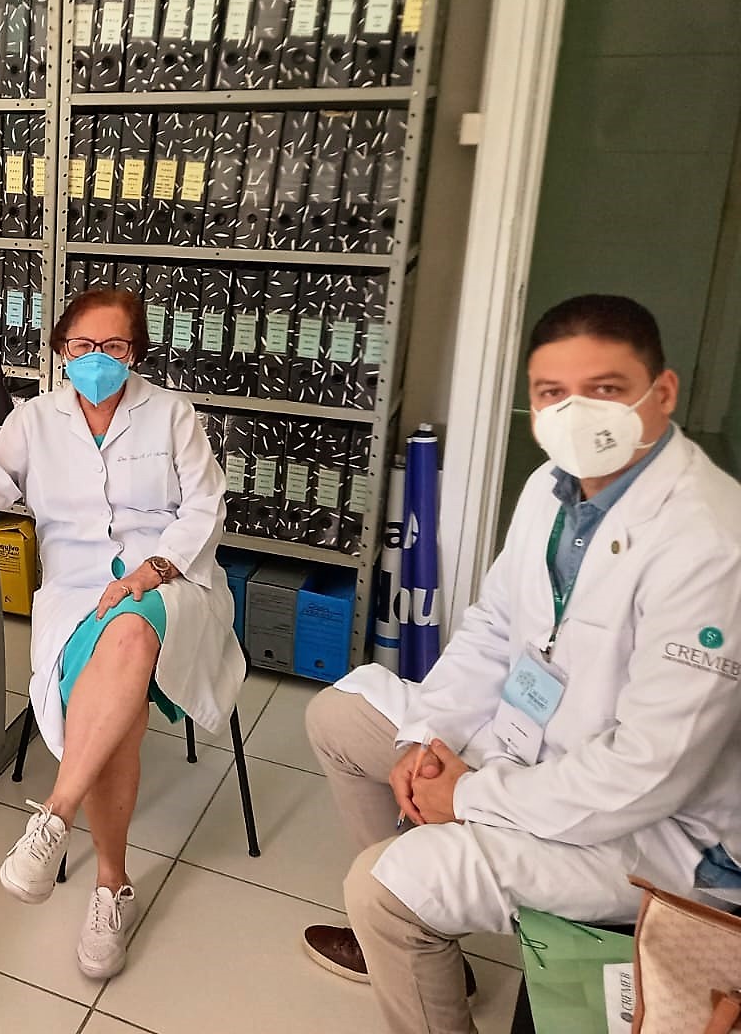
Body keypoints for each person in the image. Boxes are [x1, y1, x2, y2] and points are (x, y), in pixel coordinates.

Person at [302, 295, 741, 1034]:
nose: (577, 414)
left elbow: (648, 773)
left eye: (605, 389)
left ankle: (403, 920)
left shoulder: (711, 542)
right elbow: (493, 627)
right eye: (552, 393)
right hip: (531, 749)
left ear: (662, 393)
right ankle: (423, 944)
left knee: (381, 889)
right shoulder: (549, 490)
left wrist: (469, 796)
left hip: (661, 836)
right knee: (340, 717)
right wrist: (429, 738)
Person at [0, 287, 244, 980]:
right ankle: (111, 887)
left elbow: (206, 506)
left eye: (114, 346)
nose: (97, 358)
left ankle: (57, 816)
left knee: (128, 634)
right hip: (75, 592)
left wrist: (155, 568)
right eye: (82, 346)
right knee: (117, 693)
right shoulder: (36, 420)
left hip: (170, 582)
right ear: (61, 351)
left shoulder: (172, 415)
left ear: (136, 353)